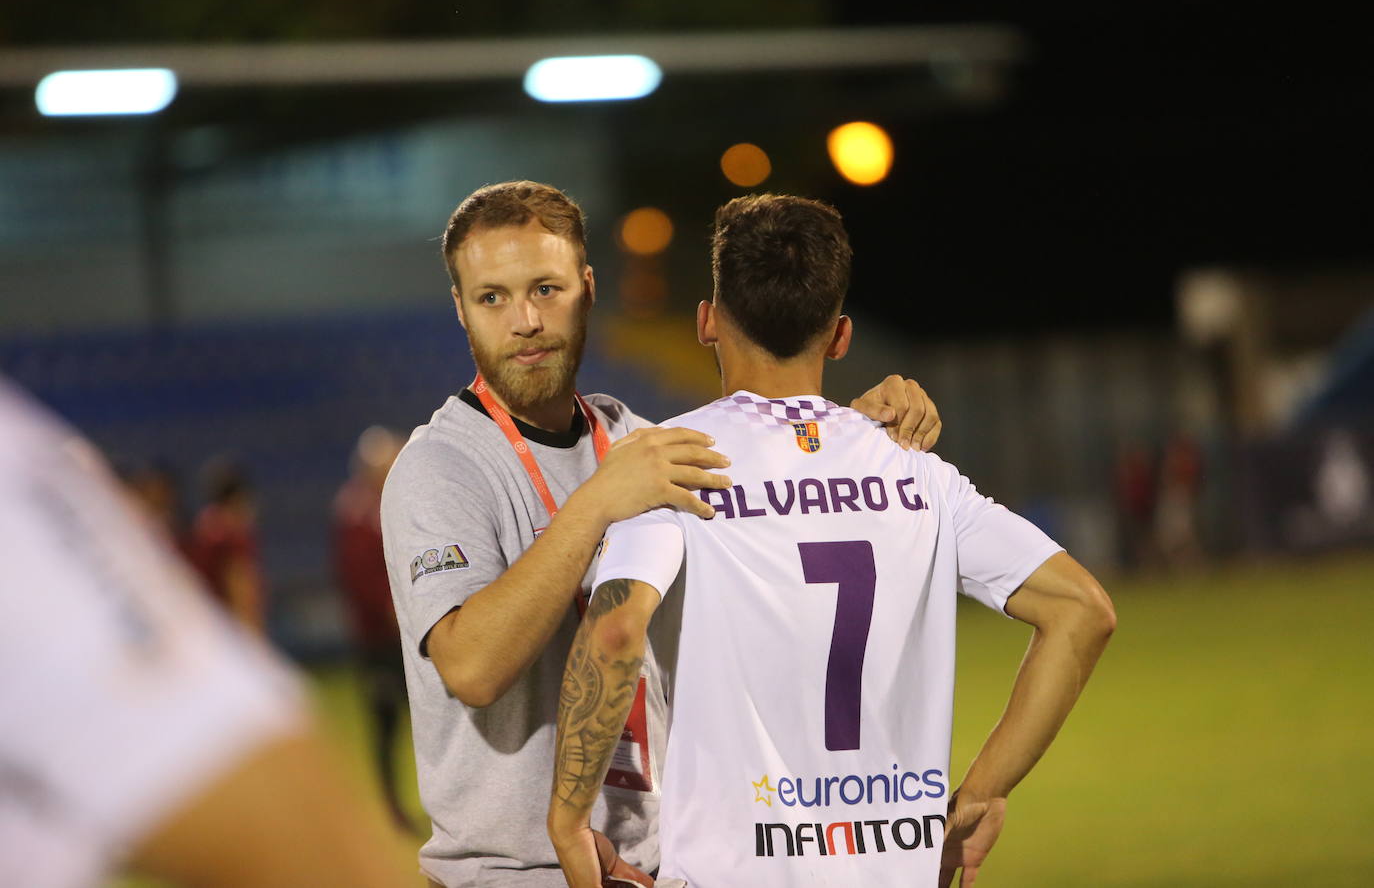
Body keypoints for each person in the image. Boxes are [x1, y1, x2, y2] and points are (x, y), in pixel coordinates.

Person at [381, 180, 943, 887]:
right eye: (493, 297)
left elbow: (787, 500)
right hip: (518, 873)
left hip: (664, 869)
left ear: (587, 288)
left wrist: (852, 428)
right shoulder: (442, 466)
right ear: (461, 308)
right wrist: (593, 506)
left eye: (546, 289)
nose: (524, 319)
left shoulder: (640, 442)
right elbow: (473, 669)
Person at [547, 194, 1117, 888]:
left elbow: (613, 636)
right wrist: (983, 792)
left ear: (707, 322)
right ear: (840, 336)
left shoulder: (671, 463)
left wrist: (569, 821)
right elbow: (1083, 611)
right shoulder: (917, 470)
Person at [0, 375, 418, 888]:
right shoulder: (15, 468)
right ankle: (398, 805)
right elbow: (300, 835)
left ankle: (399, 804)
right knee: (387, 726)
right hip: (235, 655)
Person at [334, 425, 413, 829]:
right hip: (381, 639)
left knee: (425, 719)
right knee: (386, 722)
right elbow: (361, 577)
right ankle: (392, 808)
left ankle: (412, 804)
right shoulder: (357, 511)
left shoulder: (389, 502)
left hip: (401, 633)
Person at [189, 458, 267, 633]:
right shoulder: (232, 533)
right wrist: (251, 632)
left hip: (203, 621)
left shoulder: (204, 526)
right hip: (228, 627)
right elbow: (239, 584)